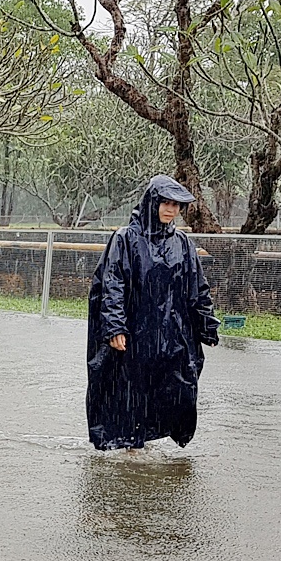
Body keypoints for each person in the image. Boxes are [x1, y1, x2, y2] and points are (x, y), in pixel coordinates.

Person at [85, 175, 221, 450]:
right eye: (165, 203)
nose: (170, 210)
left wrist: (206, 324)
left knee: (176, 387)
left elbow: (197, 286)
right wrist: (114, 327)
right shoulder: (126, 239)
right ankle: (130, 445)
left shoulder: (182, 243)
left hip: (173, 333)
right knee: (129, 390)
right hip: (135, 332)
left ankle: (150, 439)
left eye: (176, 205)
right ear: (152, 203)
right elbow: (113, 283)